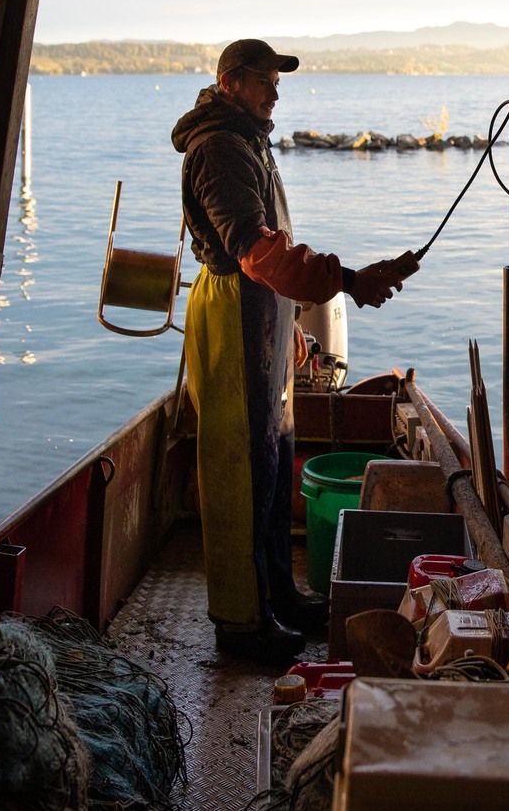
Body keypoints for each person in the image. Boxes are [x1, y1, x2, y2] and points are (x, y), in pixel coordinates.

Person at [171, 38, 409, 662]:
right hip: (234, 313)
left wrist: (292, 327)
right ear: (230, 82)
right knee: (241, 472)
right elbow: (255, 252)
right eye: (263, 81)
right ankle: (241, 622)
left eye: (277, 82)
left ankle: (277, 593)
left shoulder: (248, 137)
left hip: (265, 314)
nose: (274, 93)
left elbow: (270, 253)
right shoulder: (220, 147)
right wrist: (349, 280)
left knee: (274, 463)